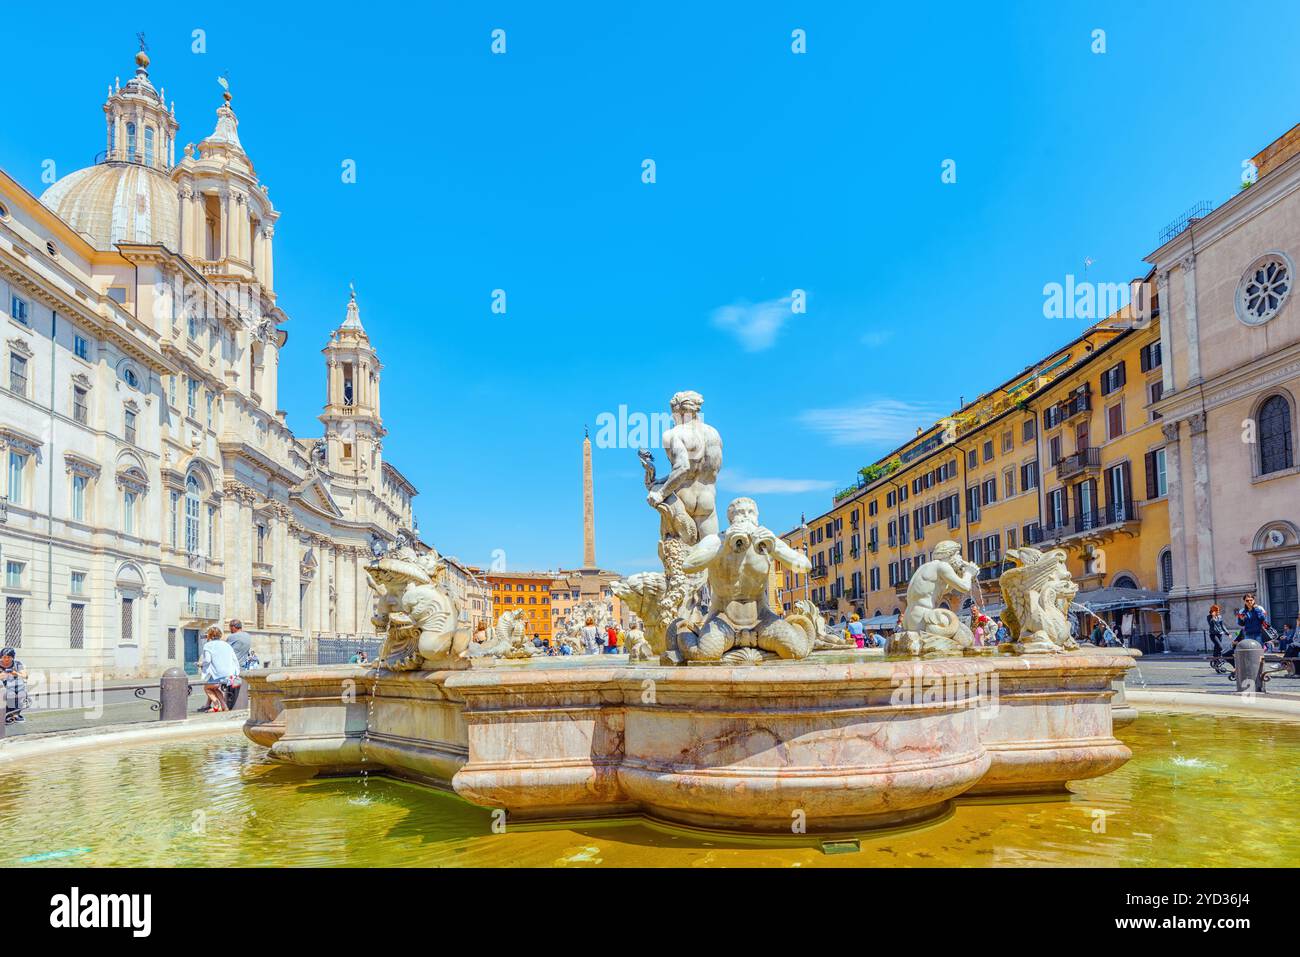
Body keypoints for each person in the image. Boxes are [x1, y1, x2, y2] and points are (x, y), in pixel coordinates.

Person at [199, 626, 240, 713]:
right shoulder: (227, 645)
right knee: (215, 688)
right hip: (229, 674)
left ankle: (216, 705)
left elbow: (207, 660)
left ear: (209, 635)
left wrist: (200, 664)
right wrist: (236, 673)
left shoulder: (208, 645)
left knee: (207, 688)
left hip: (217, 674)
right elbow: (234, 659)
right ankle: (224, 706)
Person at [2, 646, 28, 724]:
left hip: (17, 687)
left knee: (20, 693)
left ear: (12, 657)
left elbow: (25, 675)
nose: (6, 659)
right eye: (4, 657)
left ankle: (15, 714)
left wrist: (15, 673)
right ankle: (6, 714)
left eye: (9, 657)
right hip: (4, 687)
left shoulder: (17, 664)